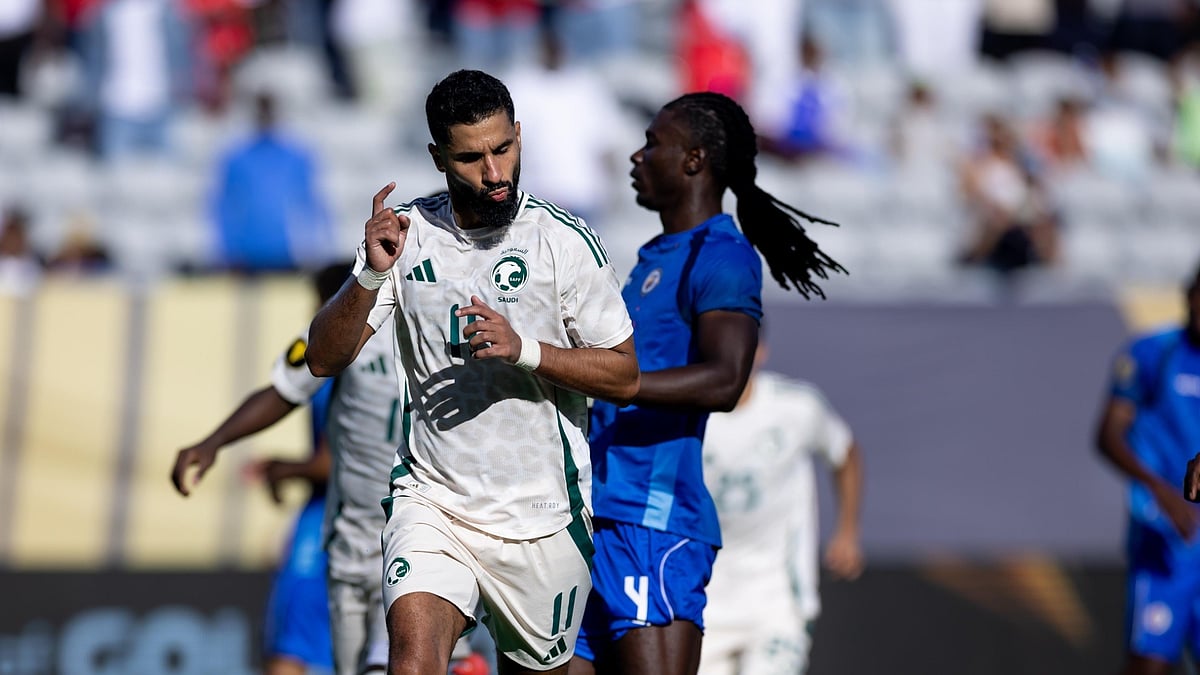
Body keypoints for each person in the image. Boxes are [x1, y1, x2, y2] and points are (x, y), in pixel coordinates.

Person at [304, 69, 640, 675]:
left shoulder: (563, 243)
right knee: (411, 658)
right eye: (471, 157)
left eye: (503, 149)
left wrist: (525, 351)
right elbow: (324, 358)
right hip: (434, 500)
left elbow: (625, 374)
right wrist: (370, 276)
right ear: (437, 157)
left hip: (541, 517)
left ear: (518, 135)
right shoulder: (406, 238)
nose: (494, 173)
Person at [571, 91, 844, 675]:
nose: (636, 157)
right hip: (599, 516)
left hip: (654, 522)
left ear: (694, 159)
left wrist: (617, 383)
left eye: (653, 144)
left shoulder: (722, 256)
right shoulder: (652, 259)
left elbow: (725, 380)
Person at [171, 266, 345, 675]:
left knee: (291, 650)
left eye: (318, 303)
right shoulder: (337, 352)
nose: (313, 313)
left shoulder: (344, 354)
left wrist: (284, 468)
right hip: (375, 521)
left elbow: (337, 459)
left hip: (335, 525)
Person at [698, 339, 864, 675]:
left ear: (761, 350)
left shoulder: (797, 407)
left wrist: (847, 532)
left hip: (776, 600)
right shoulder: (687, 414)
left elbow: (845, 452)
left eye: (742, 341)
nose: (731, 353)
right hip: (704, 602)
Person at [1099, 262, 1200, 675]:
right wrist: (1159, 489)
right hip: (1167, 534)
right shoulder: (1153, 353)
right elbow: (1108, 434)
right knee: (1148, 663)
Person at [211, 91, 333, 272]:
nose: (266, 115)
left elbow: (311, 201)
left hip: (287, 249)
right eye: (262, 110)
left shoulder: (297, 155)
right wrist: (228, 248)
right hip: (246, 252)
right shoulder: (236, 157)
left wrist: (315, 245)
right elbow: (224, 204)